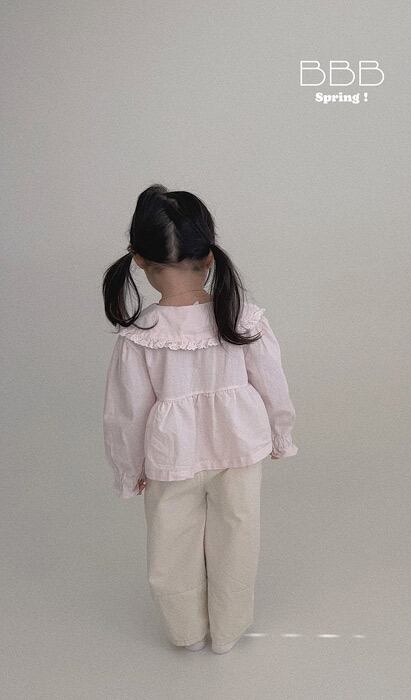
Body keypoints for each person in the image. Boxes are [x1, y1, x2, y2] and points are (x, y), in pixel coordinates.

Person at [101, 184, 298, 655]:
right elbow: (273, 384)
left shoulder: (141, 334)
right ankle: (228, 630)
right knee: (238, 536)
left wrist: (130, 470)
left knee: (171, 544)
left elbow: (126, 414)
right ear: (209, 257)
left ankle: (186, 632)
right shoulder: (242, 317)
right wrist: (280, 435)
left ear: (139, 260)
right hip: (239, 448)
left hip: (172, 457)